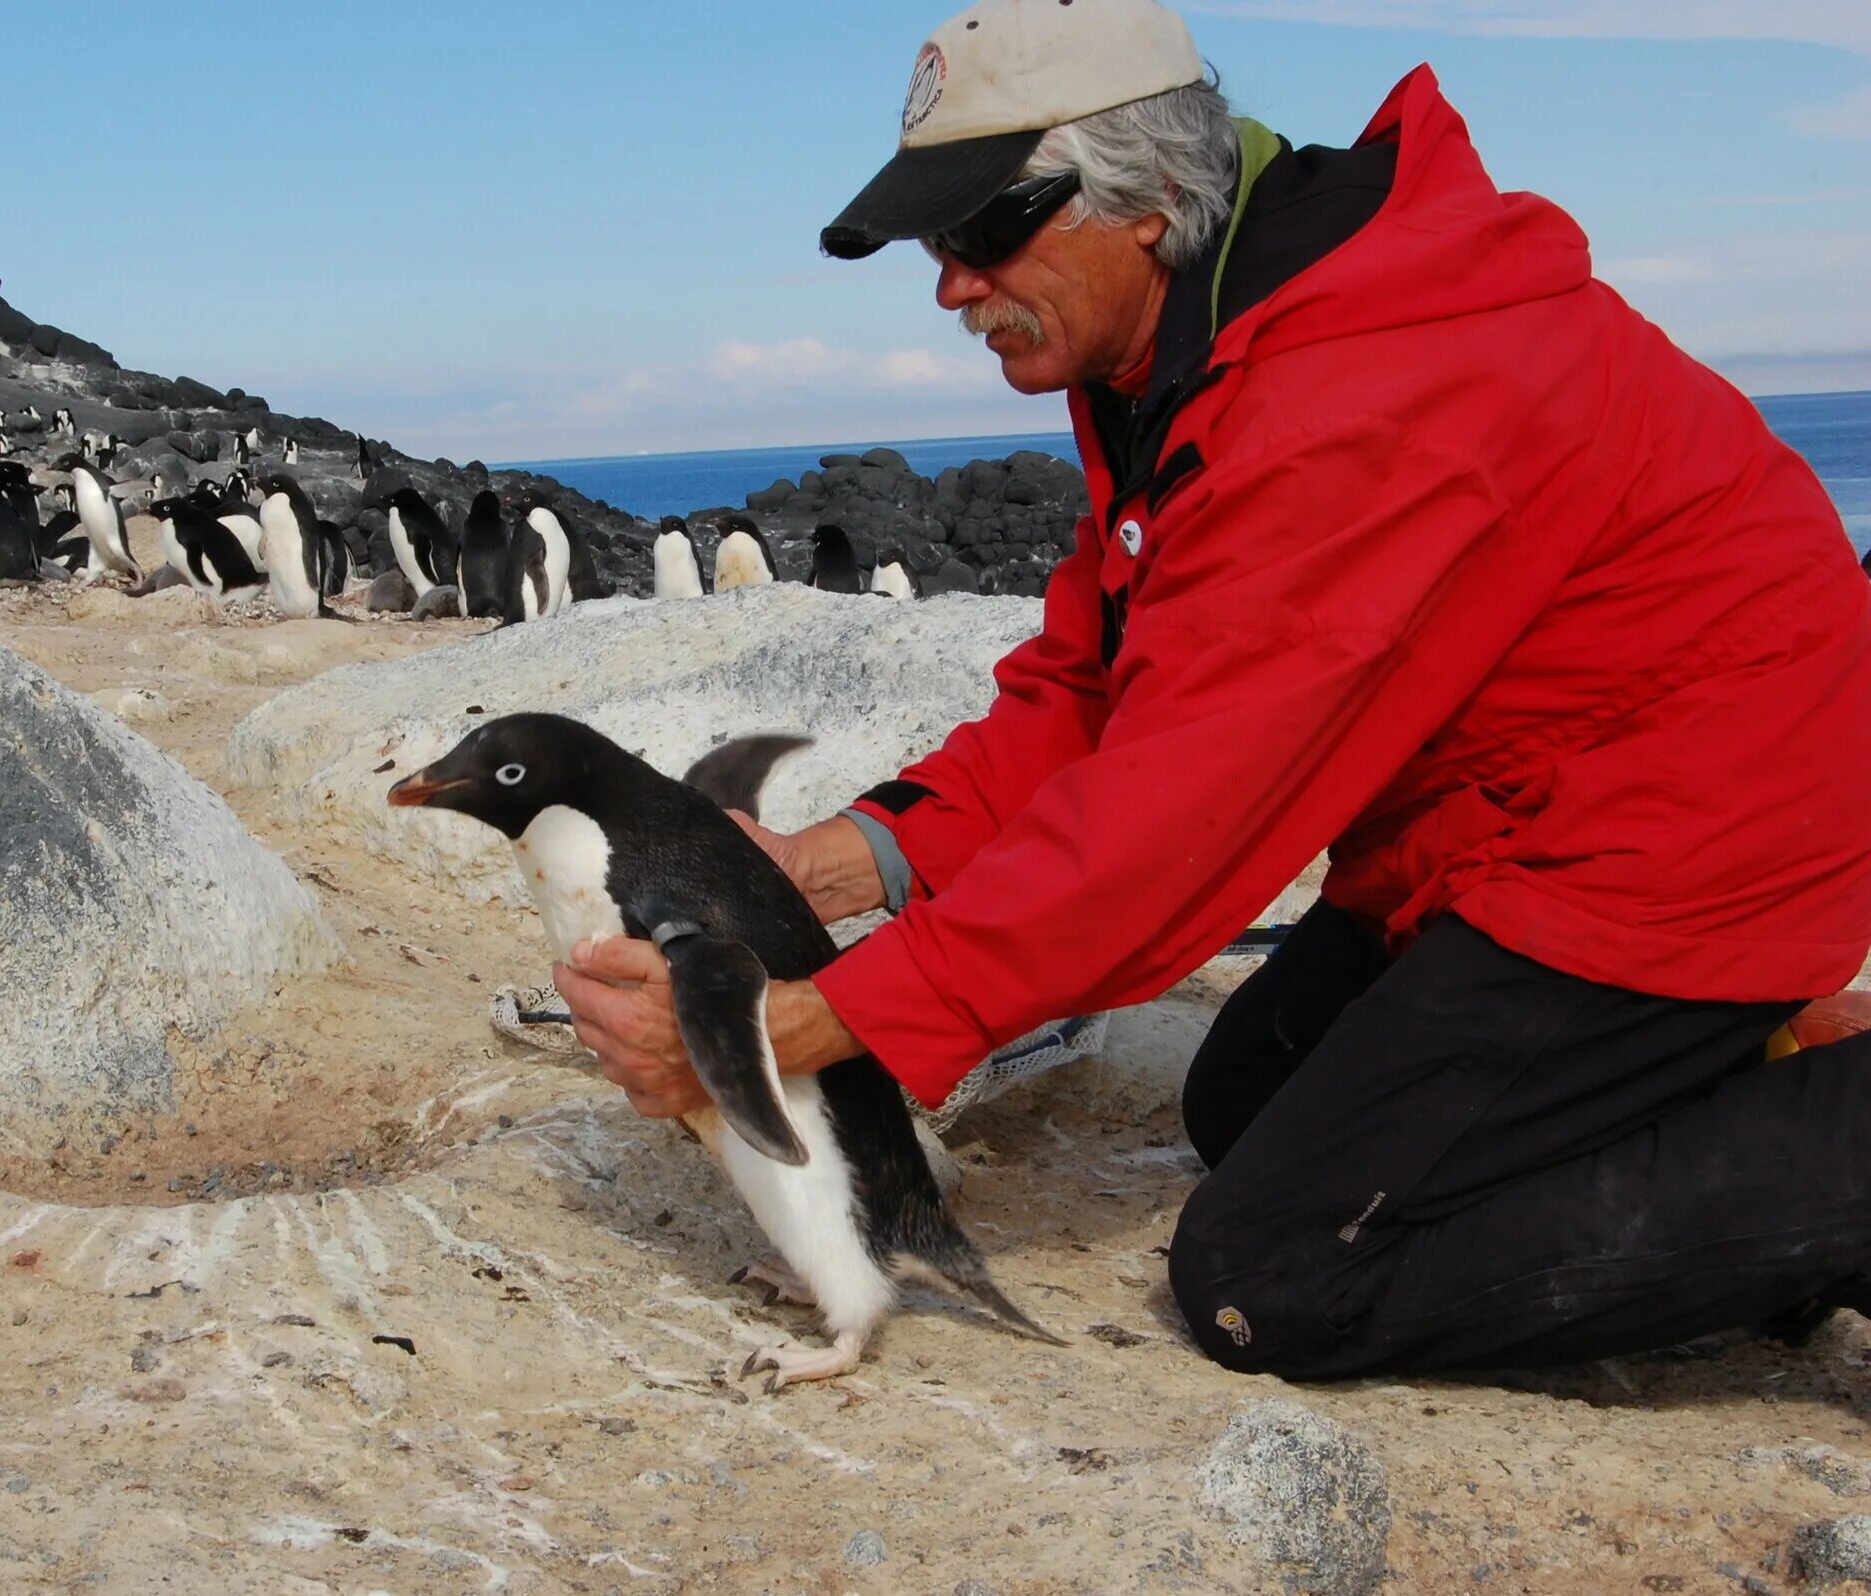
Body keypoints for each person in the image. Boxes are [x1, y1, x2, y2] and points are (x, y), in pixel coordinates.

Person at [555, 0, 1871, 1380]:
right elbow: (1093, 687)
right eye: (937, 240)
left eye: (988, 230)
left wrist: (790, 1035)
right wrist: (824, 866)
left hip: (1685, 845)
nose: (950, 283)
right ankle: (1732, 1083)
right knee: (1250, 1095)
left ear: (1151, 199)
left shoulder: (1352, 394)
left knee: (1279, 1272)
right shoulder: (1186, 339)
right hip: (1505, 823)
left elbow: (1171, 826)